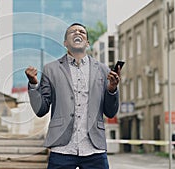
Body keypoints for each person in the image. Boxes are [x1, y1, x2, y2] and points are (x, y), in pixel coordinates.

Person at [25, 23, 120, 169]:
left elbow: (110, 112)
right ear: (65, 43)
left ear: (87, 42)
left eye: (81, 31)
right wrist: (33, 84)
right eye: (72, 32)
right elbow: (41, 110)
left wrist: (112, 90)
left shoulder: (102, 70)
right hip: (62, 147)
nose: (77, 33)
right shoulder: (51, 69)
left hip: (94, 148)